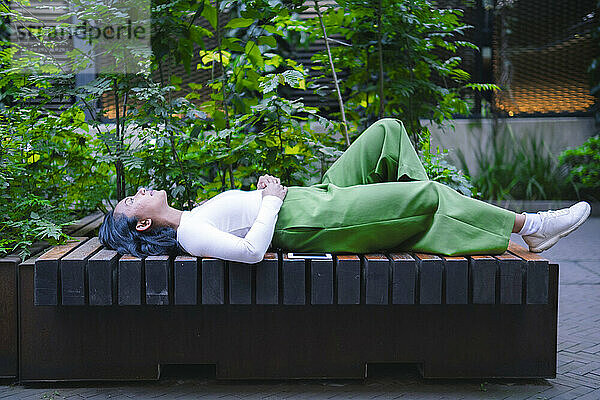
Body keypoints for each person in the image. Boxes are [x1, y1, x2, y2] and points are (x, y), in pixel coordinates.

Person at [99, 119, 591, 263]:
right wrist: (270, 199)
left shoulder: (190, 216)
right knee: (425, 196)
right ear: (143, 222)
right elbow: (251, 252)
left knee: (388, 132)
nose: (138, 190)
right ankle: (530, 228)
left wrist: (274, 194)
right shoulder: (190, 236)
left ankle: (444, 225)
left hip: (312, 195)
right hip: (311, 219)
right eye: (130, 200)